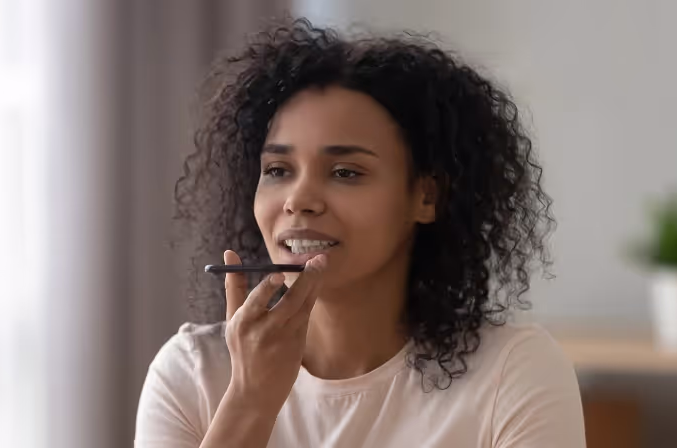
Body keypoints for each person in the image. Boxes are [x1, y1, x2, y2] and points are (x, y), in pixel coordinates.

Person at [135, 18, 585, 448]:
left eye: (345, 172)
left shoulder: (512, 372)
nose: (298, 199)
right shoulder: (192, 373)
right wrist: (249, 399)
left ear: (426, 197)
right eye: (277, 170)